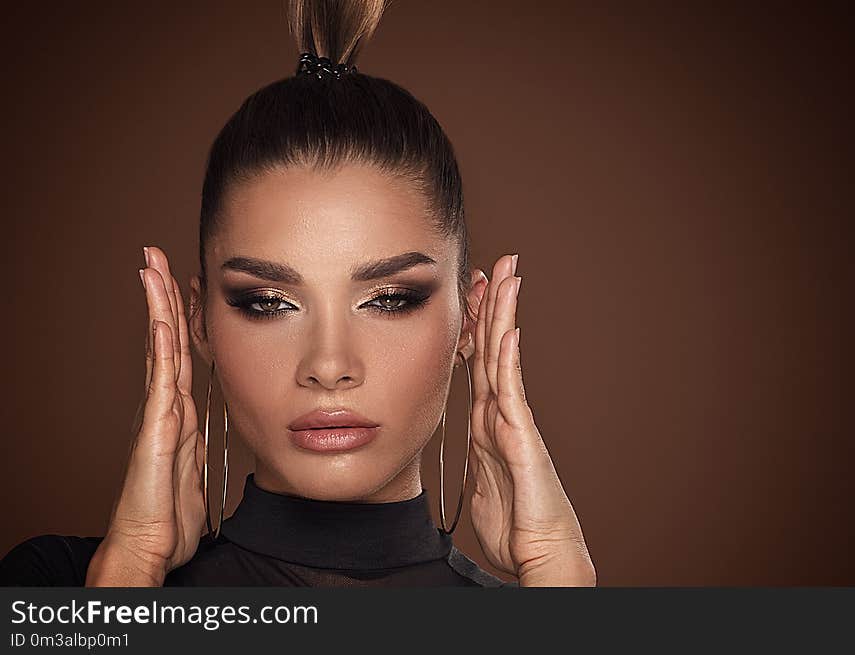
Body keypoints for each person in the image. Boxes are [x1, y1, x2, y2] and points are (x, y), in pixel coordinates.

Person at [0, 0, 596, 587]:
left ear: (470, 319)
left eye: (389, 298)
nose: (329, 366)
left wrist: (558, 573)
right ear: (197, 321)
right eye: (268, 303)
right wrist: (131, 567)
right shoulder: (62, 588)